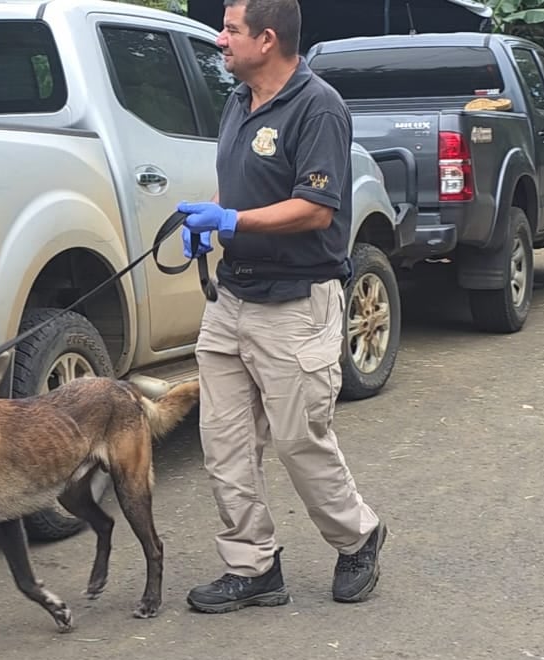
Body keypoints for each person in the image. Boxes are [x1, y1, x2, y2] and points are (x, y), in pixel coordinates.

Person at [176, 0, 386, 613]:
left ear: (267, 40)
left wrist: (234, 219)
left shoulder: (318, 107)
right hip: (231, 299)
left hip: (296, 304)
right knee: (224, 443)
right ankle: (253, 566)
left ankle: (358, 536)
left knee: (300, 441)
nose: (219, 39)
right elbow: (237, 181)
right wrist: (209, 216)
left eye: (230, 29)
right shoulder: (239, 101)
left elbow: (317, 208)